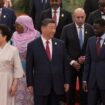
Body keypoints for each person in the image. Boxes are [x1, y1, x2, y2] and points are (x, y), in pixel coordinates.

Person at [26, 18, 70, 105]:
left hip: (57, 86)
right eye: (51, 28)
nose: (53, 30)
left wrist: (67, 81)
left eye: (55, 28)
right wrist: (29, 84)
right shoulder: (32, 45)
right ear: (42, 28)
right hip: (40, 86)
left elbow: (65, 65)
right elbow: (29, 67)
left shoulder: (61, 44)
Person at [61, 8, 94, 105]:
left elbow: (92, 46)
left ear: (85, 17)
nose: (80, 19)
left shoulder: (90, 28)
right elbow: (63, 48)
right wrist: (72, 62)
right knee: (70, 91)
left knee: (85, 91)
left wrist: (86, 58)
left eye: (82, 17)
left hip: (85, 65)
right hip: (71, 65)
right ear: (73, 17)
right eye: (78, 17)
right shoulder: (66, 29)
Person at [12, 15, 40, 105]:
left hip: (32, 71)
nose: (16, 27)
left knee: (30, 95)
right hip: (16, 71)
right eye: (15, 25)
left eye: (18, 25)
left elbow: (39, 54)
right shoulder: (14, 35)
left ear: (26, 25)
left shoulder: (36, 35)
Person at [82, 18, 105, 105]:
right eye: (93, 28)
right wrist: (84, 80)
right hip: (92, 81)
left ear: (104, 27)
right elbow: (87, 62)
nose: (94, 30)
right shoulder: (91, 40)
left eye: (97, 28)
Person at [0, 24, 23, 105]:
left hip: (7, 79)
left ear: (4, 36)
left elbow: (18, 68)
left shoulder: (13, 50)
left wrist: (14, 85)